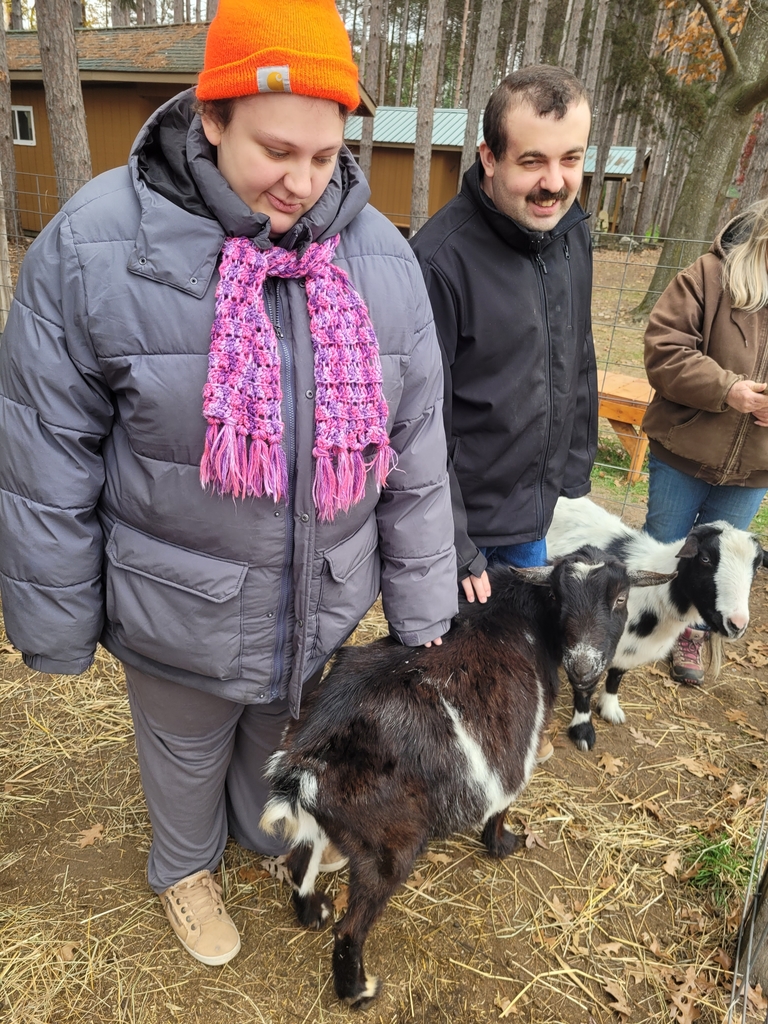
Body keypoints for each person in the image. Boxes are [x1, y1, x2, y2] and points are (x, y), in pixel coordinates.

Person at [0, 0, 457, 966]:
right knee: (183, 758)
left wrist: (420, 610)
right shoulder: (95, 249)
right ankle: (182, 867)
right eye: (275, 150)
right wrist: (55, 621)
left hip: (320, 604)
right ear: (210, 118)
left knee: (278, 750)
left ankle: (252, 835)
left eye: (326, 156)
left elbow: (413, 449)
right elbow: (47, 455)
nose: (302, 182)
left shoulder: (379, 260)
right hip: (179, 607)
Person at [410, 66, 597, 760]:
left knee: (520, 652)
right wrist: (453, 543)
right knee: (450, 665)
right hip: (463, 524)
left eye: (571, 159)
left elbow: (578, 353)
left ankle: (500, 745)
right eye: (532, 161)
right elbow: (417, 421)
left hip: (533, 509)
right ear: (488, 158)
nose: (554, 181)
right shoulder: (438, 260)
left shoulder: (573, 233)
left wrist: (573, 471)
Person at [642, 198, 768, 684]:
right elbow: (664, 349)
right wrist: (727, 389)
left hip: (755, 466)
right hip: (684, 451)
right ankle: (640, 620)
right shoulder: (709, 276)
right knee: (664, 548)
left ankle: (691, 633)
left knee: (727, 564)